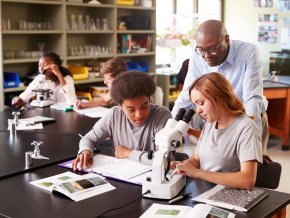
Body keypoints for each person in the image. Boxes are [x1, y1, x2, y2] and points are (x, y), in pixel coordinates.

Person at [172, 20, 269, 153]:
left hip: (248, 118)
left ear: (226, 39)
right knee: (216, 166)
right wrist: (171, 128)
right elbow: (186, 95)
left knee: (252, 169)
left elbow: (251, 100)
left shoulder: (249, 52)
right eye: (202, 49)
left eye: (212, 49)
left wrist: (253, 140)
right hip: (217, 120)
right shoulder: (197, 56)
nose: (206, 55)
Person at [173, 73, 263, 190]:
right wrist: (182, 166)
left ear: (219, 97)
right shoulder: (210, 123)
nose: (198, 110)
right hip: (206, 191)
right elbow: (196, 159)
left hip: (230, 195)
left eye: (201, 103)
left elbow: (247, 181)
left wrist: (198, 173)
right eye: (195, 105)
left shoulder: (247, 128)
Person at [72, 71, 172, 170]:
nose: (139, 114)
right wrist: (86, 151)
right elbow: (89, 139)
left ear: (150, 100)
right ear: (120, 106)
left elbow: (166, 159)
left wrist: (128, 153)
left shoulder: (162, 116)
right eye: (131, 109)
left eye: (144, 106)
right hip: (122, 174)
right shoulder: (114, 114)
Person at [12, 52, 77, 109]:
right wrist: (18, 100)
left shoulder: (67, 79)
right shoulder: (39, 78)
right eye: (39, 65)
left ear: (56, 66)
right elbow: (25, 95)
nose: (41, 68)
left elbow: (71, 102)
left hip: (65, 113)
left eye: (45, 65)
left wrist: (58, 74)